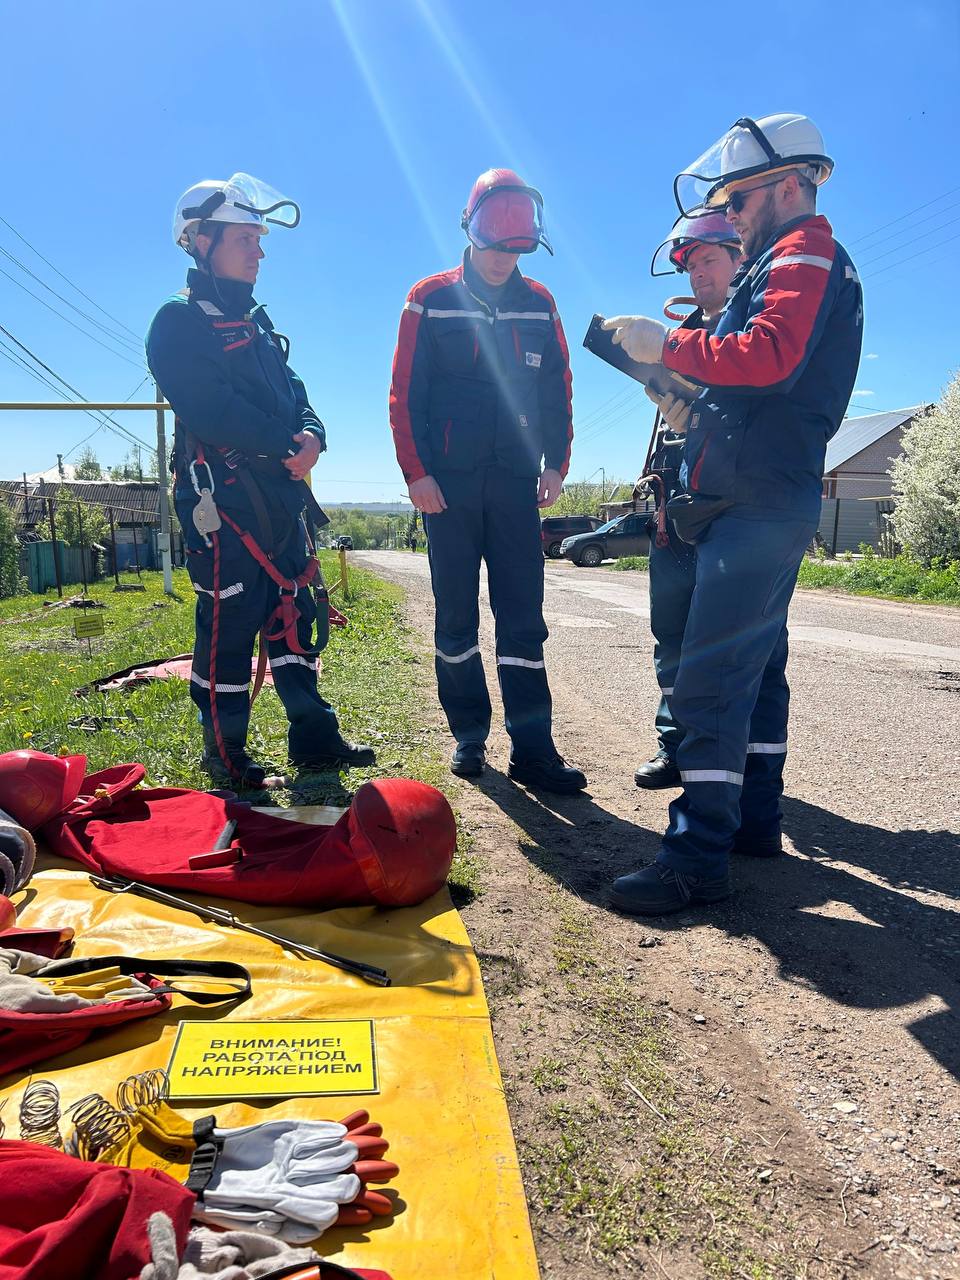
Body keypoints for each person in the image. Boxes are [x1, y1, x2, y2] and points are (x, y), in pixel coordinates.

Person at [603, 114, 862, 913]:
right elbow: (761, 383)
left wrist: (667, 347)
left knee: (711, 682)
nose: (731, 218)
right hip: (764, 492)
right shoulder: (789, 257)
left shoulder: (803, 250)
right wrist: (694, 407)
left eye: (738, 201)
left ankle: (696, 860)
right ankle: (753, 821)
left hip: (756, 501)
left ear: (788, 185)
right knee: (758, 673)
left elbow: (770, 358)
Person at [147, 173, 374, 787]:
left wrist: (313, 434)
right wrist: (285, 442)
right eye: (245, 238)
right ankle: (226, 753)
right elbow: (210, 409)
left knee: (295, 612)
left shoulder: (258, 324)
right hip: (221, 500)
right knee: (231, 622)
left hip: (279, 496)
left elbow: (296, 393)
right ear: (201, 241)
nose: (259, 251)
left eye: (259, 239)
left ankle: (316, 743)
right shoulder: (178, 322)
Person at [388, 168, 586, 792]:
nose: (504, 259)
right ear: (470, 233)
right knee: (455, 616)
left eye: (517, 249)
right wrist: (417, 473)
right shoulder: (429, 298)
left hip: (514, 485)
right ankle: (469, 735)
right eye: (496, 246)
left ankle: (533, 749)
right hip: (445, 489)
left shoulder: (540, 303)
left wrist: (556, 462)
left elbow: (557, 389)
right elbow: (404, 394)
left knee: (523, 618)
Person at [634, 210, 742, 790]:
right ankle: (675, 746)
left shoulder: (751, 332)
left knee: (735, 641)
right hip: (672, 505)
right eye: (691, 265)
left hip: (731, 511)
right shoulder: (683, 337)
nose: (698, 274)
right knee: (671, 633)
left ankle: (731, 762)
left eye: (709, 260)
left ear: (740, 259)